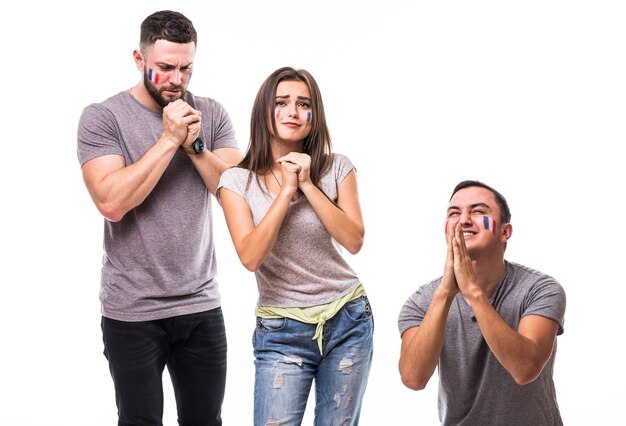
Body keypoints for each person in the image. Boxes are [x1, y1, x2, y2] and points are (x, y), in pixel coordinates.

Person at [76, 10, 241, 425]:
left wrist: (194, 145)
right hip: (132, 309)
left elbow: (240, 195)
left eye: (186, 68)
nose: (176, 79)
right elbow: (111, 202)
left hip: (201, 303)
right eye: (165, 67)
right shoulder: (103, 117)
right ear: (139, 59)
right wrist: (168, 140)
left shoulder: (212, 114)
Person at [217, 66, 373, 426]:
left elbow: (354, 239)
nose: (292, 111)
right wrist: (286, 190)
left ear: (314, 116)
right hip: (281, 331)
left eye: (303, 104)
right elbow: (251, 256)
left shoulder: (337, 168)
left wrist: (307, 185)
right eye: (281, 102)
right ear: (264, 112)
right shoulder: (236, 181)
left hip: (347, 318)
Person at [398, 180, 566, 425]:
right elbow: (413, 378)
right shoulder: (422, 301)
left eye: (478, 211)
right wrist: (445, 293)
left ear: (505, 232)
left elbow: (525, 369)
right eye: (454, 213)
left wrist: (473, 293)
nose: (464, 220)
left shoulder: (540, 289)